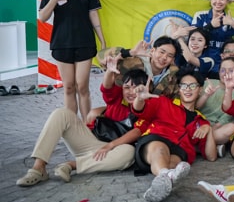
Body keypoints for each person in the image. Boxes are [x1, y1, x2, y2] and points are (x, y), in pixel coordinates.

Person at [15, 68, 147, 187]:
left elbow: (137, 132)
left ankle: (72, 165)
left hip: (113, 151)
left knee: (129, 153)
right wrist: (109, 70)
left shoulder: (147, 107)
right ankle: (39, 168)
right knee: (61, 113)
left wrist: (110, 146)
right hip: (89, 143)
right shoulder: (117, 98)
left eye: (136, 88)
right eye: (127, 87)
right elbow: (106, 87)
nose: (131, 92)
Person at [38, 0, 106, 120]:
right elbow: (43, 17)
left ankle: (88, 126)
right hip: (61, 43)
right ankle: (72, 127)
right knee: (68, 87)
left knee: (82, 86)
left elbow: (93, 14)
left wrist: (102, 41)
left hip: (85, 42)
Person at [132, 70, 218, 202]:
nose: (188, 89)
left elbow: (211, 156)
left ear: (200, 90)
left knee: (177, 163)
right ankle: (167, 175)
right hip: (156, 139)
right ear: (179, 89)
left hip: (180, 150)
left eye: (193, 86)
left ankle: (165, 178)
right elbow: (139, 110)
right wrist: (139, 99)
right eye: (184, 85)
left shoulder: (201, 122)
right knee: (160, 150)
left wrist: (209, 129)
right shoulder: (163, 102)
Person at [98, 36, 181, 98]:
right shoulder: (133, 61)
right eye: (162, 52)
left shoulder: (173, 75)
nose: (164, 57)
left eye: (169, 56)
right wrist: (130, 52)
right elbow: (101, 55)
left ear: (172, 60)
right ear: (152, 50)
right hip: (124, 108)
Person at [191, 0, 234, 70]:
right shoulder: (200, 15)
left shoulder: (230, 19)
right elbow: (192, 37)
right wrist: (210, 26)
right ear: (210, 0)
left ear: (227, 1)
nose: (218, 2)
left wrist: (231, 23)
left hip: (224, 65)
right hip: (201, 62)